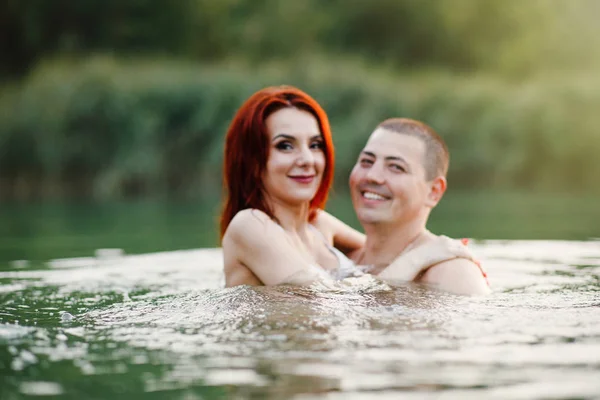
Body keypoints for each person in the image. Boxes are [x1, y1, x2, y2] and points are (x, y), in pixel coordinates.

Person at [220, 86, 465, 288]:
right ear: (251, 160)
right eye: (285, 146)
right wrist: (423, 255)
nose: (307, 159)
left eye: (315, 145)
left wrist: (445, 257)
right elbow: (329, 305)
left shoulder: (320, 226)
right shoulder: (250, 225)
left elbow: (386, 249)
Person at [348, 118, 490, 295]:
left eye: (396, 167)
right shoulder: (340, 258)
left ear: (434, 192)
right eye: (367, 161)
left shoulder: (451, 273)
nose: (372, 175)